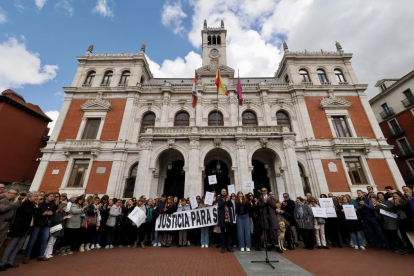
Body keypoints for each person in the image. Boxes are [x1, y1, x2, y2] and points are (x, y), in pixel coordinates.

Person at [0, 191, 37, 271]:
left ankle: (10, 261)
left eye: (36, 196)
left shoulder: (31, 204)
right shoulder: (25, 203)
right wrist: (35, 210)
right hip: (18, 226)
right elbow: (28, 212)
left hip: (25, 226)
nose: (36, 198)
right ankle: (3, 262)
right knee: (12, 244)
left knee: (19, 244)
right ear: (30, 196)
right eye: (35, 196)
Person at [24, 192, 56, 263]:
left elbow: (54, 212)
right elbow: (35, 213)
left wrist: (52, 213)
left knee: (44, 240)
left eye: (53, 196)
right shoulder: (40, 203)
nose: (52, 197)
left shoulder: (52, 204)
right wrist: (43, 214)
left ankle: (41, 255)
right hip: (38, 223)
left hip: (46, 224)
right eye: (51, 196)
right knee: (33, 239)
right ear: (46, 197)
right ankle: (27, 256)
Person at [258, 187, 283, 253]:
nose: (264, 192)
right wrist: (265, 202)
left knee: (274, 230)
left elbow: (274, 206)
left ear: (267, 191)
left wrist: (268, 201)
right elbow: (260, 206)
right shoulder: (260, 198)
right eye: (262, 191)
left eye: (265, 191)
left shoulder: (271, 197)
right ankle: (269, 245)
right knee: (267, 231)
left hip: (271, 216)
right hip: (265, 216)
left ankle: (277, 246)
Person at [218, 188, 234, 253]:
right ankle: (223, 247)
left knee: (228, 233)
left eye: (225, 191)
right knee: (222, 233)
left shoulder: (228, 197)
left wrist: (229, 200)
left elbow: (231, 205)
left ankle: (228, 246)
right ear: (221, 192)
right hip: (223, 217)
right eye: (223, 191)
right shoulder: (219, 198)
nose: (224, 192)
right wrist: (225, 201)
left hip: (228, 217)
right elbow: (220, 205)